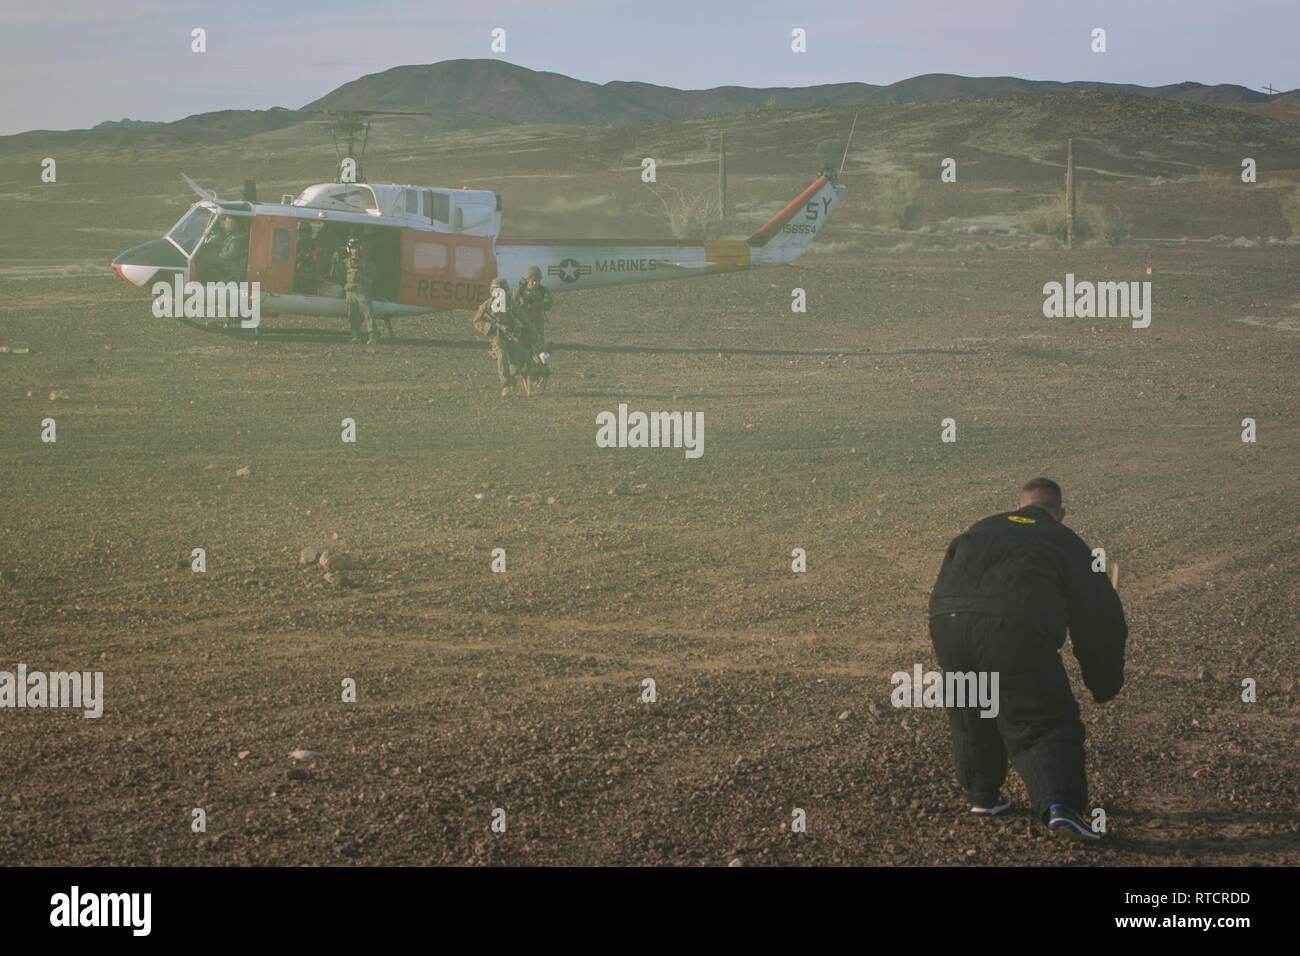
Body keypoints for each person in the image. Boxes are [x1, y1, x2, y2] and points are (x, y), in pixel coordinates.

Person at [927, 477, 1127, 842]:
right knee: (1043, 716)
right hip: (1013, 628)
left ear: (1018, 506)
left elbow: (948, 576)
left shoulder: (982, 527)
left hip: (947, 619)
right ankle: (1061, 807)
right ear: (1060, 513)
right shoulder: (1068, 542)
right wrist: (1104, 681)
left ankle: (983, 796)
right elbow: (1100, 621)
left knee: (972, 707)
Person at [473, 277, 528, 396]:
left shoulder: (512, 304)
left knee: (517, 361)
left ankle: (512, 380)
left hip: (512, 335)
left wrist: (522, 328)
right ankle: (506, 385)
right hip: (497, 338)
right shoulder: (486, 305)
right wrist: (490, 328)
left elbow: (524, 319)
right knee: (502, 356)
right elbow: (477, 321)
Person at [338, 238, 377, 345]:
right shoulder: (345, 261)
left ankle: (372, 336)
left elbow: (374, 274)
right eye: (351, 248)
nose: (353, 251)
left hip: (362, 290)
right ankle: (355, 336)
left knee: (368, 313)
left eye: (355, 248)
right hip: (350, 290)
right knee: (351, 314)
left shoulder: (366, 262)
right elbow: (339, 273)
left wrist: (367, 282)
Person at [514, 265, 553, 358]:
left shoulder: (543, 291)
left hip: (537, 322)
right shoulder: (520, 290)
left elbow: (549, 304)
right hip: (523, 323)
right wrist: (520, 302)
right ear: (528, 279)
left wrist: (537, 304)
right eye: (533, 280)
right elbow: (512, 303)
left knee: (539, 348)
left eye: (538, 281)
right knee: (523, 347)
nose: (536, 283)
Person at [196, 216, 248, 283]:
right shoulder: (231, 236)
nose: (225, 225)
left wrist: (217, 254)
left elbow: (229, 256)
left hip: (228, 265)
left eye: (228, 223)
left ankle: (200, 282)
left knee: (204, 260)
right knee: (204, 255)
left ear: (233, 225)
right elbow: (224, 246)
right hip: (224, 260)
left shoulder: (237, 240)